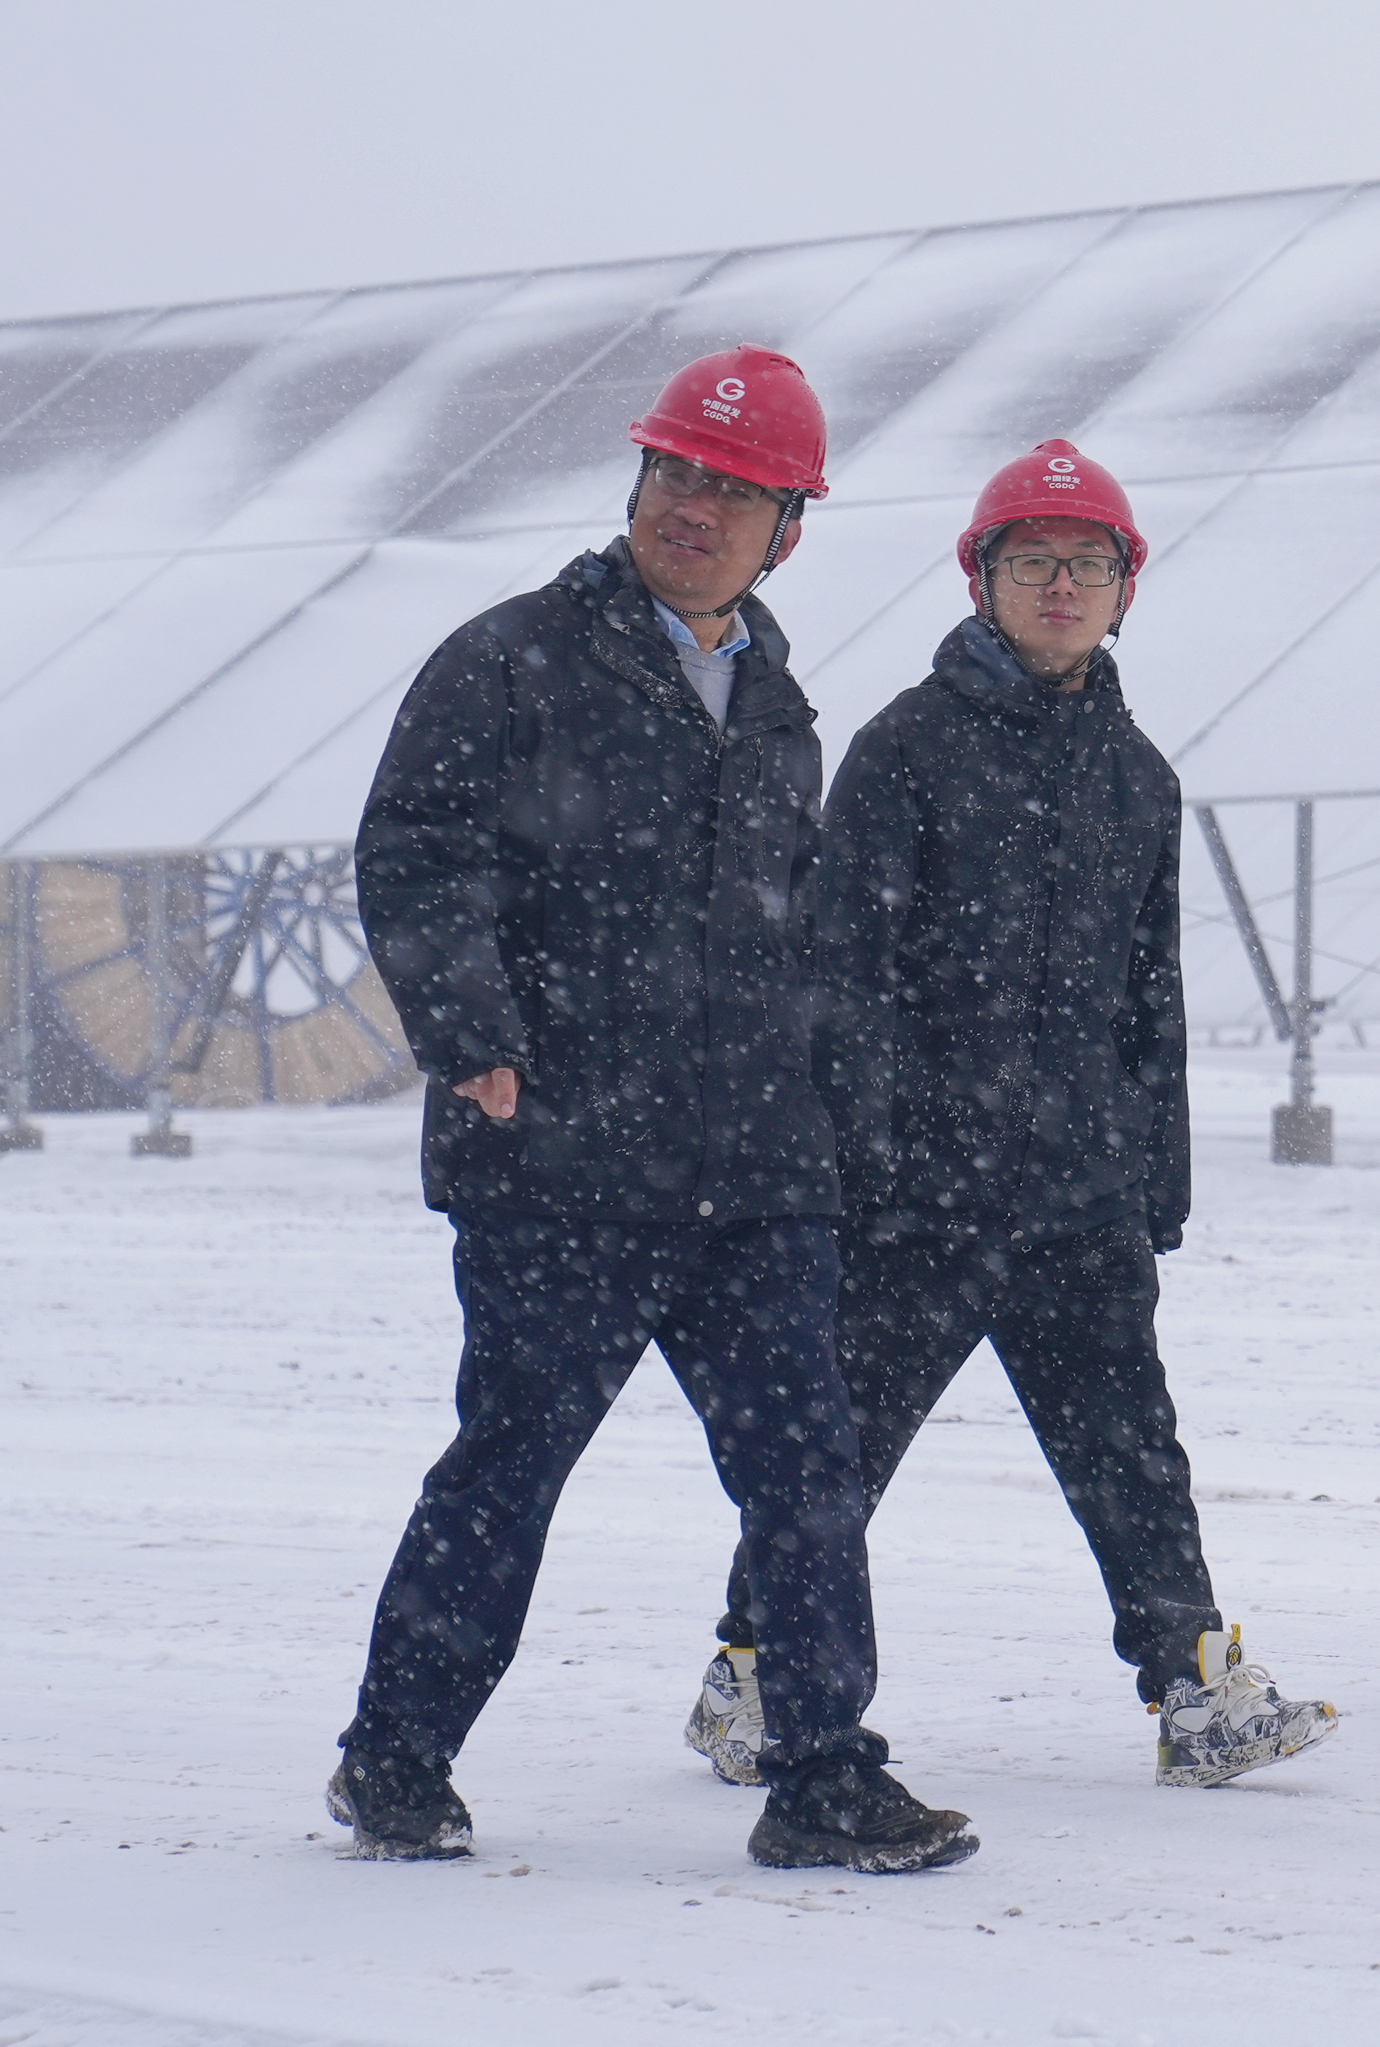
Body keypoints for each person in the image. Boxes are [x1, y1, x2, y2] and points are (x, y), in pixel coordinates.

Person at [329, 348, 972, 1875]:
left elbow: (798, 938)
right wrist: (471, 1026)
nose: (700, 506)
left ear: (789, 528)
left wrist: (840, 1116)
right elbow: (416, 850)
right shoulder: (510, 662)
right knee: (510, 1465)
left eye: (739, 491)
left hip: (757, 1172)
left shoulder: (779, 706)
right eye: (682, 473)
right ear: (636, 484)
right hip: (560, 1158)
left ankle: (821, 1774)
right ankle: (395, 1759)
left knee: (809, 1476)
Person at [686, 440, 1338, 1793]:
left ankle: (1191, 1684)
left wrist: (1155, 1173)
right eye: (1032, 560)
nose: (1061, 584)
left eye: (1089, 563)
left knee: (1131, 1447)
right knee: (842, 1454)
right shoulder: (906, 750)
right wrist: (864, 1153)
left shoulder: (1136, 775)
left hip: (1078, 1188)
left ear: (1124, 591)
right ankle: (749, 1676)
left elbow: (1150, 996)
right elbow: (841, 972)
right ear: (979, 581)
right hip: (918, 1187)